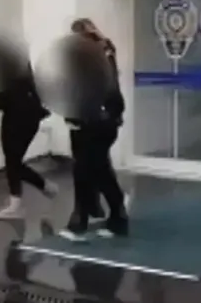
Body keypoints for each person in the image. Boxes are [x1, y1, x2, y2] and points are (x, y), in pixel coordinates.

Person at [59, 20, 128, 241]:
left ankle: (83, 221)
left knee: (87, 170)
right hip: (105, 119)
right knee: (98, 168)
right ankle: (104, 214)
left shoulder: (88, 58)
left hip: (92, 120)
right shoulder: (105, 51)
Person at [0, 34, 57, 219]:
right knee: (13, 161)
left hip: (17, 117)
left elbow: (1, 99)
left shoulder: (1, 69)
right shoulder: (20, 64)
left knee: (12, 162)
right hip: (29, 116)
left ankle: (18, 203)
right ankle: (39, 189)